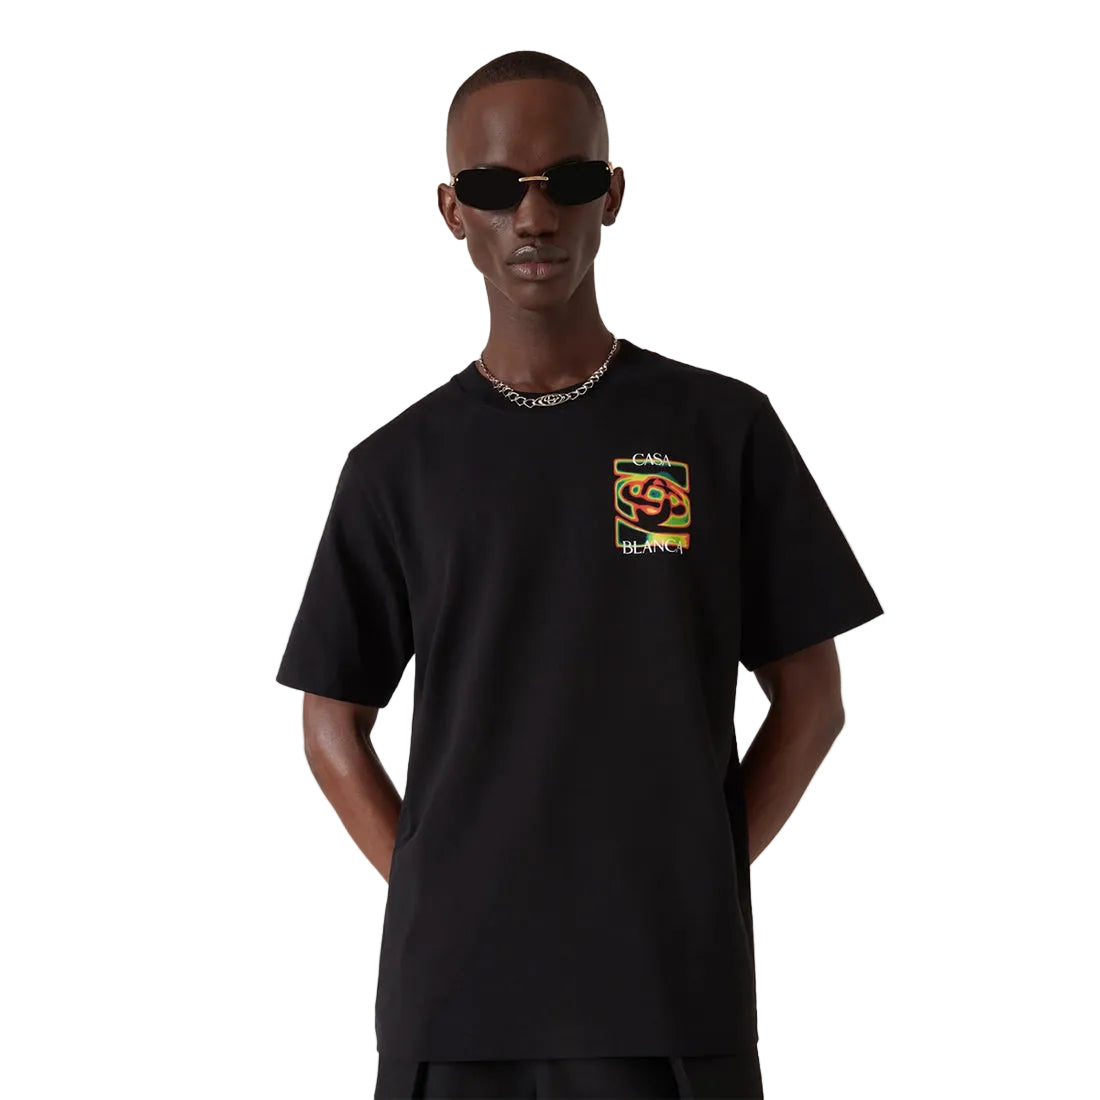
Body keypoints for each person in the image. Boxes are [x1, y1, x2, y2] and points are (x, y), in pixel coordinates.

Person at [275, 49, 884, 1100]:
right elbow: (331, 722)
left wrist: (696, 874)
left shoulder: (718, 430)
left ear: (612, 193)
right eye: (492, 186)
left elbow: (812, 700)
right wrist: (440, 891)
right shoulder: (395, 468)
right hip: (455, 1008)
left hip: (671, 999)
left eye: (566, 180)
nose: (533, 215)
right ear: (450, 210)